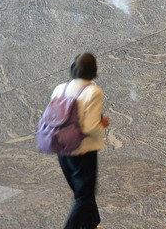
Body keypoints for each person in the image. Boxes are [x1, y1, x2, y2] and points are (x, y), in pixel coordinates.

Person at [49, 52, 110, 229]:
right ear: (93, 71)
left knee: (82, 193)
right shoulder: (93, 91)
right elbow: (90, 127)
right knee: (84, 196)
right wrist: (102, 123)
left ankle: (91, 224)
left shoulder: (59, 89)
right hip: (82, 152)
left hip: (62, 151)